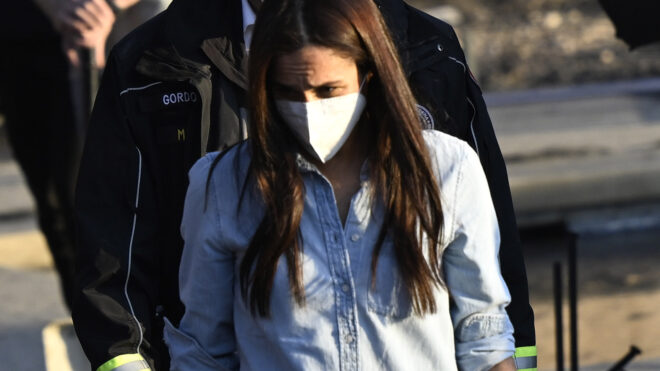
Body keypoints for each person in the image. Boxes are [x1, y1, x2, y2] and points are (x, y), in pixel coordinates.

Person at [73, 0, 536, 370]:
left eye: (330, 90)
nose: (309, 109)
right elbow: (113, 251)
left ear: (370, 74)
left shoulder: (429, 58)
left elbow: (488, 309)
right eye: (289, 92)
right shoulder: (156, 71)